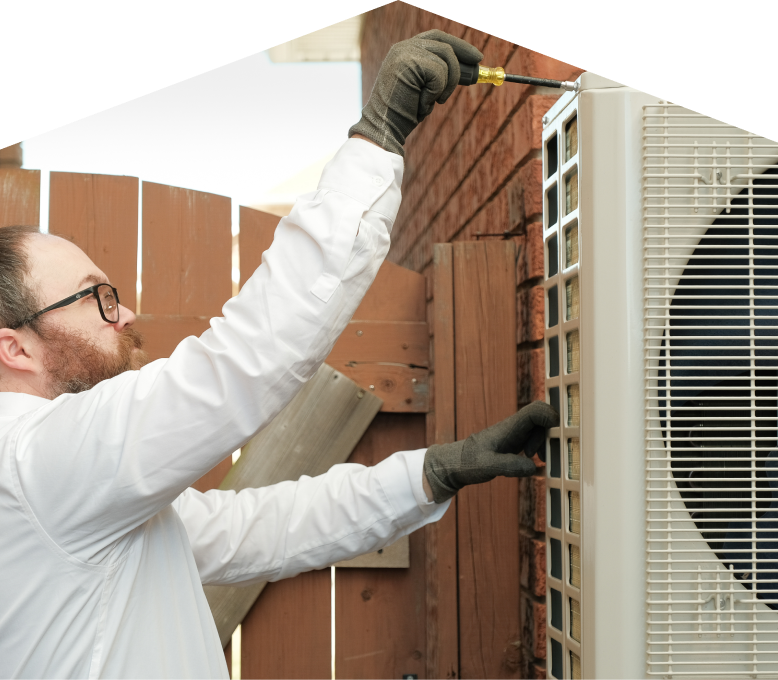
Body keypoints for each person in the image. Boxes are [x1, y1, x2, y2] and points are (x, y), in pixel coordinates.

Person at [0, 30, 558, 680]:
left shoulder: (73, 489)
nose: (124, 314)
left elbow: (259, 528)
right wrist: (376, 140)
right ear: (13, 346)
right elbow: (243, 362)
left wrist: (429, 474)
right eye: (94, 298)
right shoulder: (36, 462)